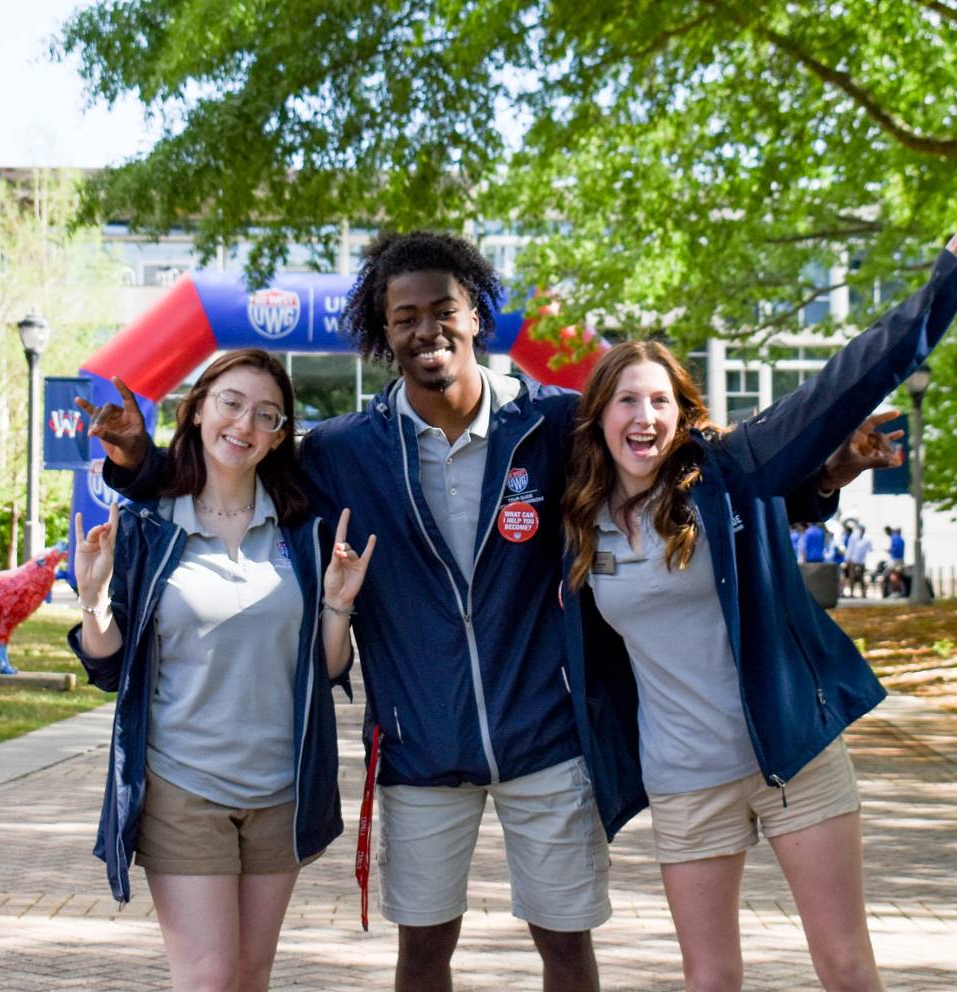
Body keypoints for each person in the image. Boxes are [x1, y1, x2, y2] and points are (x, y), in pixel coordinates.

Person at [82, 231, 906, 992]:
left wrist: (821, 476)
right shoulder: (341, 452)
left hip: (545, 737)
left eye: (443, 310)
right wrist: (137, 462)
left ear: (475, 314)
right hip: (418, 744)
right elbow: (237, 467)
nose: (425, 329)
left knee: (564, 943)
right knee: (424, 949)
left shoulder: (551, 424)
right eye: (403, 317)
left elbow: (684, 472)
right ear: (383, 331)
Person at [560, 222, 957, 992]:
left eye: (660, 401)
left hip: (791, 757)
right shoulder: (577, 520)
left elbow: (836, 387)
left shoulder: (729, 472)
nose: (644, 417)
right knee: (709, 977)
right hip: (682, 778)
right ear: (599, 414)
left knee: (842, 964)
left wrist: (946, 288)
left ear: (681, 413)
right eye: (626, 400)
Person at [67, 349, 375, 992]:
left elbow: (326, 669)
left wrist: (338, 606)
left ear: (281, 436)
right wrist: (94, 601)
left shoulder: (303, 533)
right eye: (231, 403)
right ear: (198, 409)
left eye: (267, 415)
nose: (245, 424)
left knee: (250, 974)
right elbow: (108, 665)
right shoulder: (151, 527)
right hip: (183, 787)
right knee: (207, 977)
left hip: (280, 793)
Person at [845, 523, 873, 598]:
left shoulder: (867, 539)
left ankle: (863, 593)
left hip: (861, 561)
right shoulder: (854, 537)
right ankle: (851, 593)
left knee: (861, 577)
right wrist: (847, 559)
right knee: (852, 577)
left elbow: (870, 549)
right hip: (853, 560)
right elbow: (850, 548)